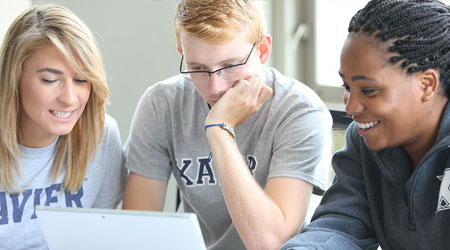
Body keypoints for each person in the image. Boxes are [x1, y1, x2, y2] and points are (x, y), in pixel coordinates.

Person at [122, 1, 332, 249]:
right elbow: (137, 231)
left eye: (230, 66)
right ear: (182, 55)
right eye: (198, 68)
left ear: (263, 50)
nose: (215, 88)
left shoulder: (300, 110)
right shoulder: (161, 104)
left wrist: (219, 130)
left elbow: (270, 242)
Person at [282, 0, 450, 249]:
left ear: (426, 84)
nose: (350, 108)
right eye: (347, 87)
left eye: (369, 90)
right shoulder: (363, 141)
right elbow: (340, 224)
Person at [0, 4, 127, 249]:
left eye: (81, 79)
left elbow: (100, 241)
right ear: (14, 77)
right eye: (50, 79)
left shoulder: (101, 136)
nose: (69, 98)